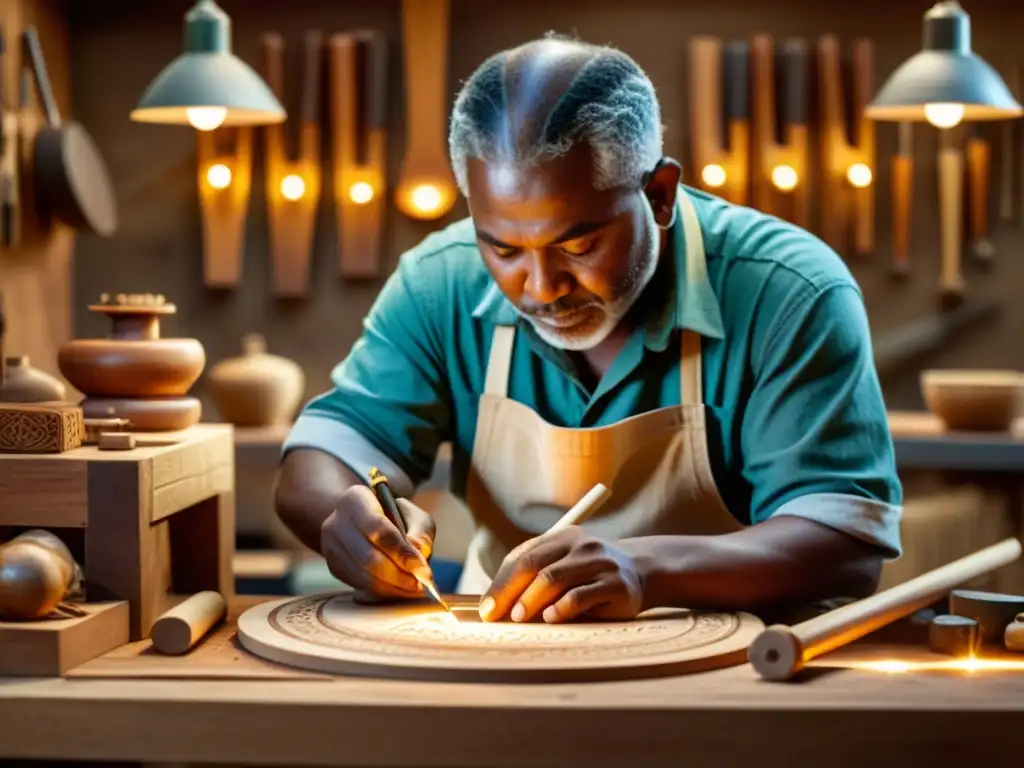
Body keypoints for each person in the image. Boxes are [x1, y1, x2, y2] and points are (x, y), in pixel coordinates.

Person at [274, 35, 902, 625]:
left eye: (578, 244)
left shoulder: (788, 290)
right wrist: (349, 520)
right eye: (504, 248)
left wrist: (649, 569)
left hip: (739, 665)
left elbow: (846, 544)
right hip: (512, 649)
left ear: (658, 194)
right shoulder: (439, 280)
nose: (542, 288)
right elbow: (322, 458)